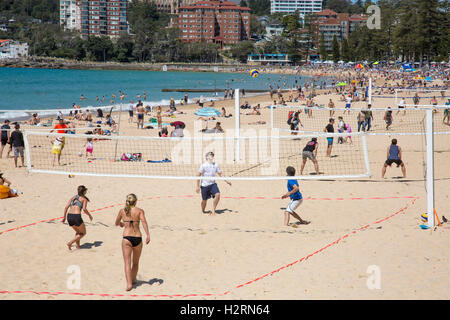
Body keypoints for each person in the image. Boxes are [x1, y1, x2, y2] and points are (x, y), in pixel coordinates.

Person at [115, 194, 150, 291]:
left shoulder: (122, 211)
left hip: (126, 238)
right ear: (135, 201)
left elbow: (116, 223)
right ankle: (133, 280)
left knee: (127, 263)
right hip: (137, 238)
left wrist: (122, 224)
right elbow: (144, 222)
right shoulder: (140, 211)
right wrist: (148, 235)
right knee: (135, 262)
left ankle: (129, 284)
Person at [196, 151, 231, 215]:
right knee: (204, 201)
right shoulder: (203, 165)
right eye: (210, 155)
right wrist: (198, 186)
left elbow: (221, 174)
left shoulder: (216, 165)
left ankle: (213, 210)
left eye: (212, 155)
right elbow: (198, 175)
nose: (212, 156)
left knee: (218, 194)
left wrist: (227, 181)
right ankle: (202, 210)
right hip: (204, 185)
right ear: (207, 157)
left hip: (212, 184)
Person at [62, 185, 93, 250]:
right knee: (83, 233)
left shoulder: (73, 197)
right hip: (76, 216)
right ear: (84, 191)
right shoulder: (84, 199)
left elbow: (66, 207)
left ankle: (78, 246)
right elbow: (84, 209)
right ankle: (70, 243)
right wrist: (89, 215)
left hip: (69, 216)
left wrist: (64, 217)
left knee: (78, 232)